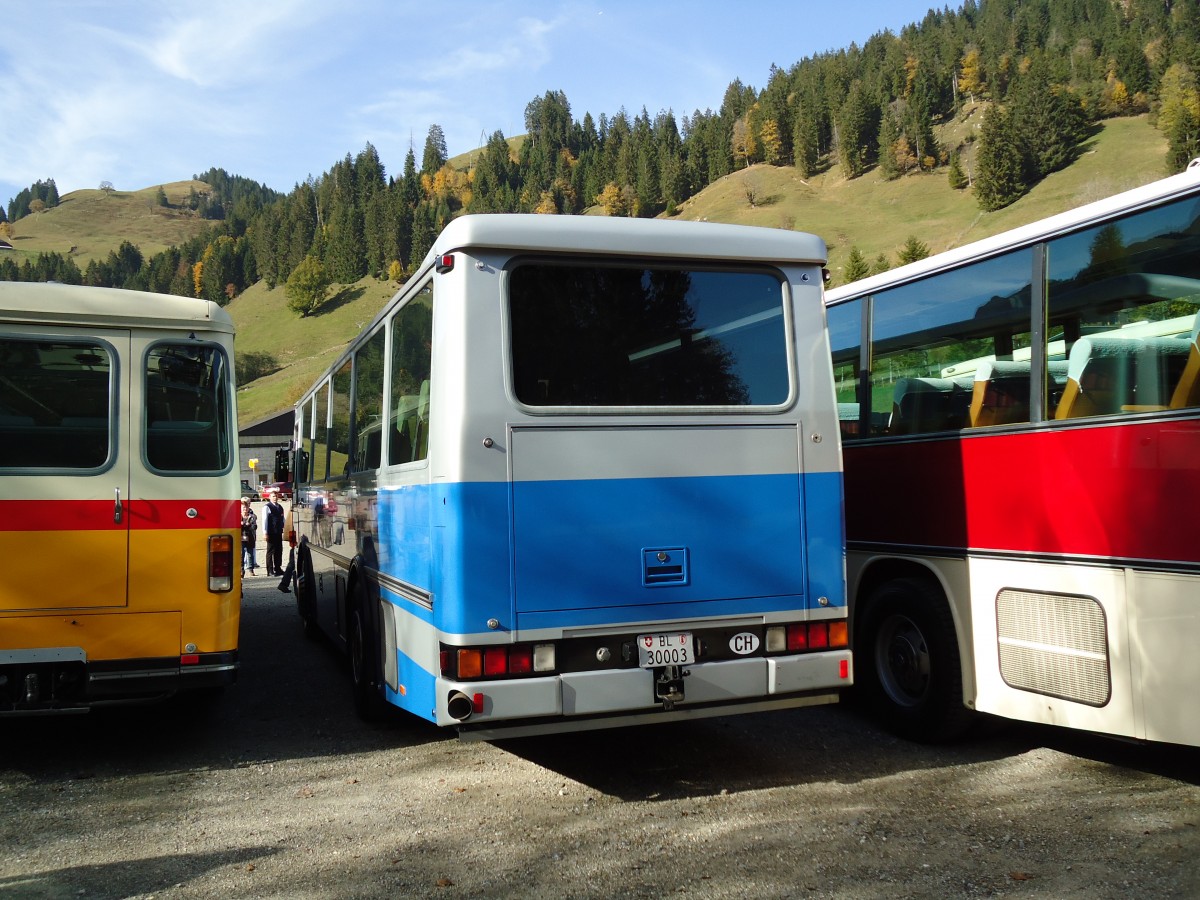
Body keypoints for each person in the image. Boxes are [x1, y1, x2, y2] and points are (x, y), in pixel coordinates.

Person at [263, 489, 285, 577]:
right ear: (269, 497)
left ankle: (278, 568)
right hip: (271, 532)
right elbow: (264, 520)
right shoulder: (267, 507)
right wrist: (265, 532)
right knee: (270, 551)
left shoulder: (280, 507)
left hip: (278, 532)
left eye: (276, 496)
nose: (275, 498)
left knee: (279, 551)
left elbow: (283, 519)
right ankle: (270, 570)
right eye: (273, 496)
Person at [278, 504, 297, 593]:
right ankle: (283, 584)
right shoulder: (294, 509)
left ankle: (284, 584)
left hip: (295, 540)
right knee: (292, 564)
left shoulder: (293, 508)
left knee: (292, 564)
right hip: (296, 540)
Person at [240, 497, 259, 575]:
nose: (245, 509)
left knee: (250, 554)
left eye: (246, 507)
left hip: (250, 537)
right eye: (243, 507)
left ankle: (251, 569)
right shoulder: (237, 516)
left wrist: (249, 525)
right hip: (240, 537)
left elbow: (255, 526)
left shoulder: (252, 516)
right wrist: (241, 525)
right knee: (241, 554)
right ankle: (241, 570)